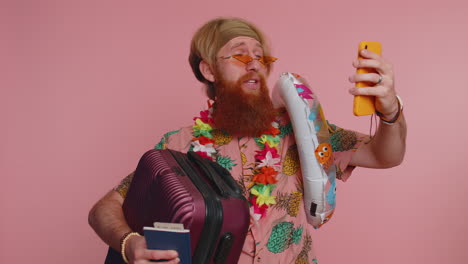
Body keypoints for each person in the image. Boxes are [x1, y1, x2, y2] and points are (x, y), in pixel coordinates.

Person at [88, 17, 406, 264]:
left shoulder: (301, 129)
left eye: (260, 56)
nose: (255, 63)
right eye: (240, 55)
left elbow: (384, 155)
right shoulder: (178, 145)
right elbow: (105, 207)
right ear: (209, 70)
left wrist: (391, 111)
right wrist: (129, 244)